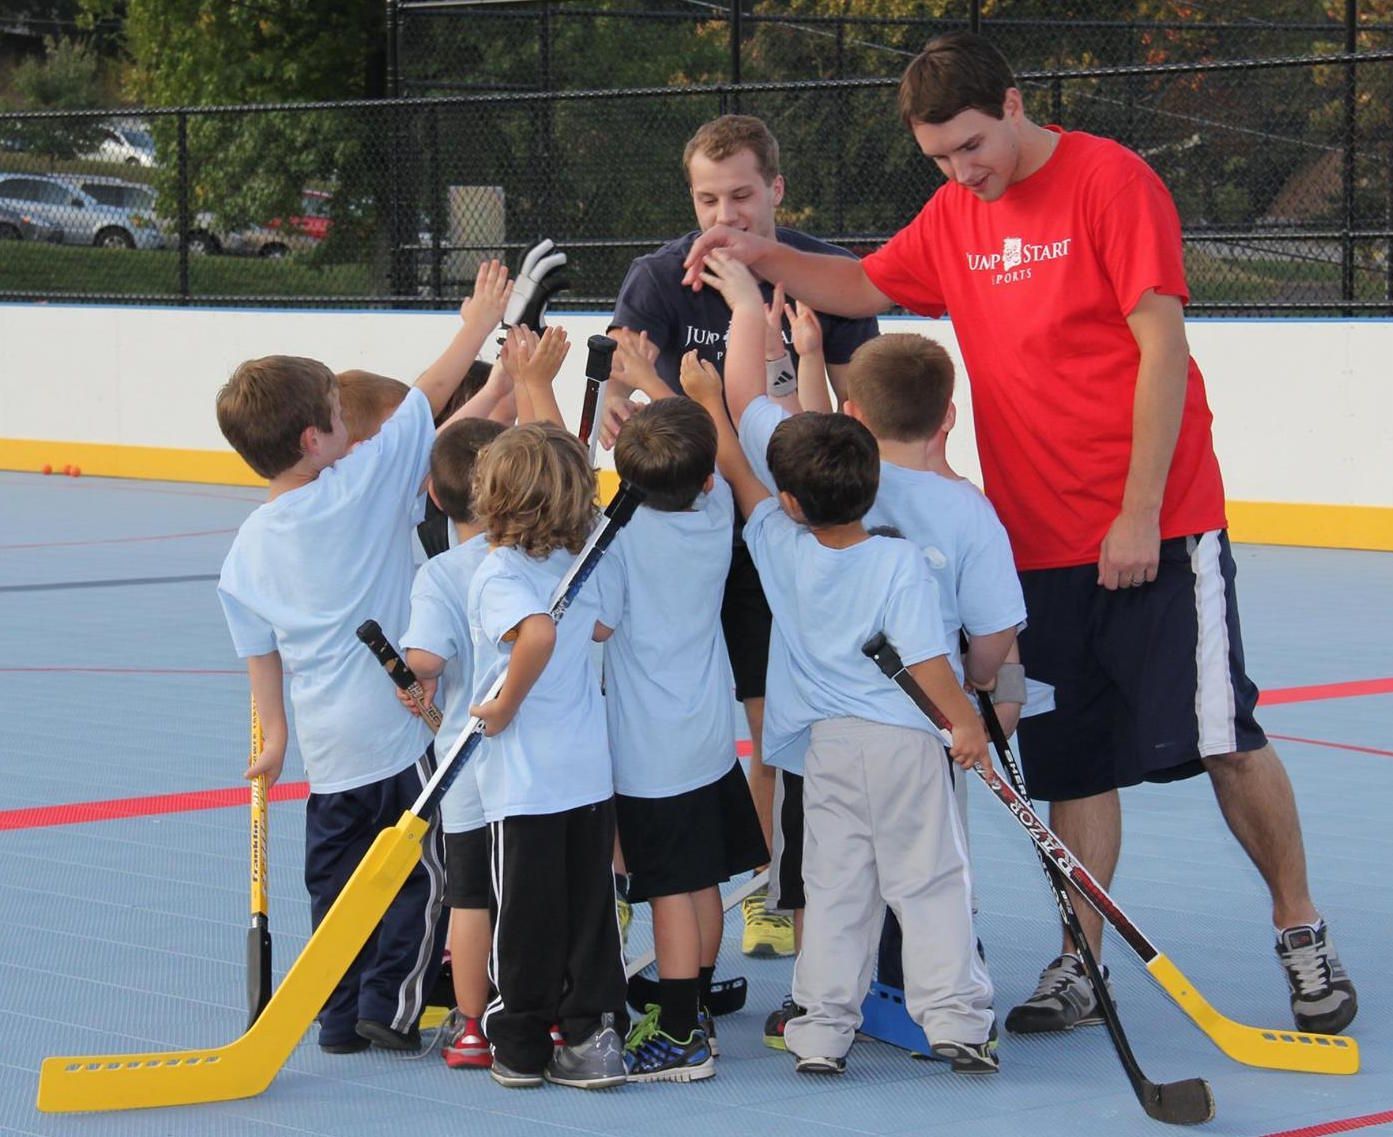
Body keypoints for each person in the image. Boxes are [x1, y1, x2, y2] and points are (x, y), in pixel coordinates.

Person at [680, 31, 1357, 1038]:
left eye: (970, 148)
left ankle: (1300, 933)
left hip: (1160, 527)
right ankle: (1082, 959)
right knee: (1071, 762)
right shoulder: (958, 213)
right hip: (1034, 542)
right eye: (941, 159)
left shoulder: (1111, 184)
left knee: (1221, 737)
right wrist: (754, 253)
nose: (961, 172)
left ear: (1012, 103)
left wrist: (1135, 511)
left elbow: (1161, 347)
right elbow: (864, 284)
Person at [681, 292, 997, 1075]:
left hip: (825, 751)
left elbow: (736, 467)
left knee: (832, 888)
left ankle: (820, 1029)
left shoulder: (778, 543)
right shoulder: (898, 560)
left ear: (792, 499)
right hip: (904, 747)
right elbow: (926, 662)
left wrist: (702, 400)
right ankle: (955, 1021)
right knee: (928, 881)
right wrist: (966, 722)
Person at [214, 261, 513, 1054]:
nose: (354, 428)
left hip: (328, 746)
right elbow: (426, 395)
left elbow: (258, 651)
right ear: (316, 440)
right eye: (339, 418)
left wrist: (273, 738)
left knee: (336, 881)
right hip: (401, 730)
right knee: (422, 874)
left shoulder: (246, 548)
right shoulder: (361, 486)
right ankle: (393, 1001)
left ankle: (336, 1012)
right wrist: (478, 323)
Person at [607, 113, 881, 957]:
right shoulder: (658, 279)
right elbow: (626, 406)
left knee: (772, 721)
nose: (722, 217)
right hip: (682, 538)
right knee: (641, 712)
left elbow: (851, 414)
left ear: (775, 189)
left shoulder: (823, 278)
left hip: (776, 532)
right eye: (705, 199)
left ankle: (765, 883)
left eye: (739, 196)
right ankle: (628, 879)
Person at [594, 369, 768, 1083]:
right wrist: (682, 393)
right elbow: (712, 452)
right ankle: (689, 999)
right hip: (705, 735)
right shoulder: (717, 506)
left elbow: (599, 622)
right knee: (698, 879)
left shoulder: (621, 541)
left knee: (667, 888)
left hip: (649, 750)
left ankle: (675, 1034)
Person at [466, 422, 629, 1091]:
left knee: (525, 916)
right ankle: (591, 1033)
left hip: (525, 782)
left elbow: (534, 632)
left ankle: (521, 1041)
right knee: (589, 910)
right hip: (586, 775)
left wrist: (503, 706)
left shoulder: (497, 571)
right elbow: (601, 625)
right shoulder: (586, 562)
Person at [400, 417, 506, 1069]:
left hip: (464, 769)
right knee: (527, 893)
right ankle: (537, 1010)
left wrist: (410, 677)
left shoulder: (440, 573)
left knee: (469, 897)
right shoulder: (541, 556)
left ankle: (471, 1025)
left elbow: (424, 661)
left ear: (436, 499)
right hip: (535, 772)